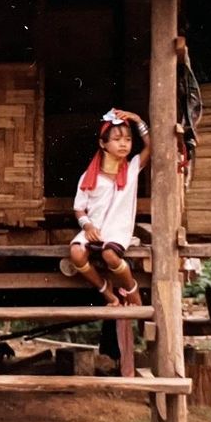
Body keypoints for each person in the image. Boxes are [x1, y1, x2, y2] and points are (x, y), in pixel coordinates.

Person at [70, 109, 151, 306]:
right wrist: (87, 227)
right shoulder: (89, 177)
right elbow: (79, 208)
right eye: (117, 139)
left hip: (118, 231)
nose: (124, 144)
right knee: (76, 253)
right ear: (102, 143)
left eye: (128, 139)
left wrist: (138, 121)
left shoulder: (132, 169)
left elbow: (152, 146)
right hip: (94, 229)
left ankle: (132, 290)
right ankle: (106, 290)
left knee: (109, 254)